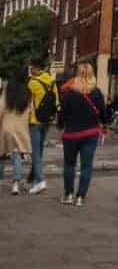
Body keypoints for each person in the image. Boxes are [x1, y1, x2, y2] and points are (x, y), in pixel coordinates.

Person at [59, 62, 105, 206]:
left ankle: (69, 194)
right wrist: (104, 123)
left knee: (69, 164)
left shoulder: (69, 93)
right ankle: (80, 197)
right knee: (86, 166)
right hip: (90, 133)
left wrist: (61, 125)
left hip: (71, 134)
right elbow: (104, 113)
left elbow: (62, 114)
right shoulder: (97, 93)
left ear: (77, 74)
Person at [27, 57, 60, 195]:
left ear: (35, 68)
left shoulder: (32, 83)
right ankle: (32, 178)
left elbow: (27, 102)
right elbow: (57, 100)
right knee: (39, 151)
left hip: (35, 120)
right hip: (47, 120)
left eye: (31, 68)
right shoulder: (52, 81)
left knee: (35, 152)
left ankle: (40, 181)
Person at [0, 74, 31, 195]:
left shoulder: (7, 93)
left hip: (6, 127)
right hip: (21, 129)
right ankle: (16, 184)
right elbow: (30, 110)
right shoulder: (27, 94)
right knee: (17, 156)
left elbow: (0, 108)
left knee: (2, 154)